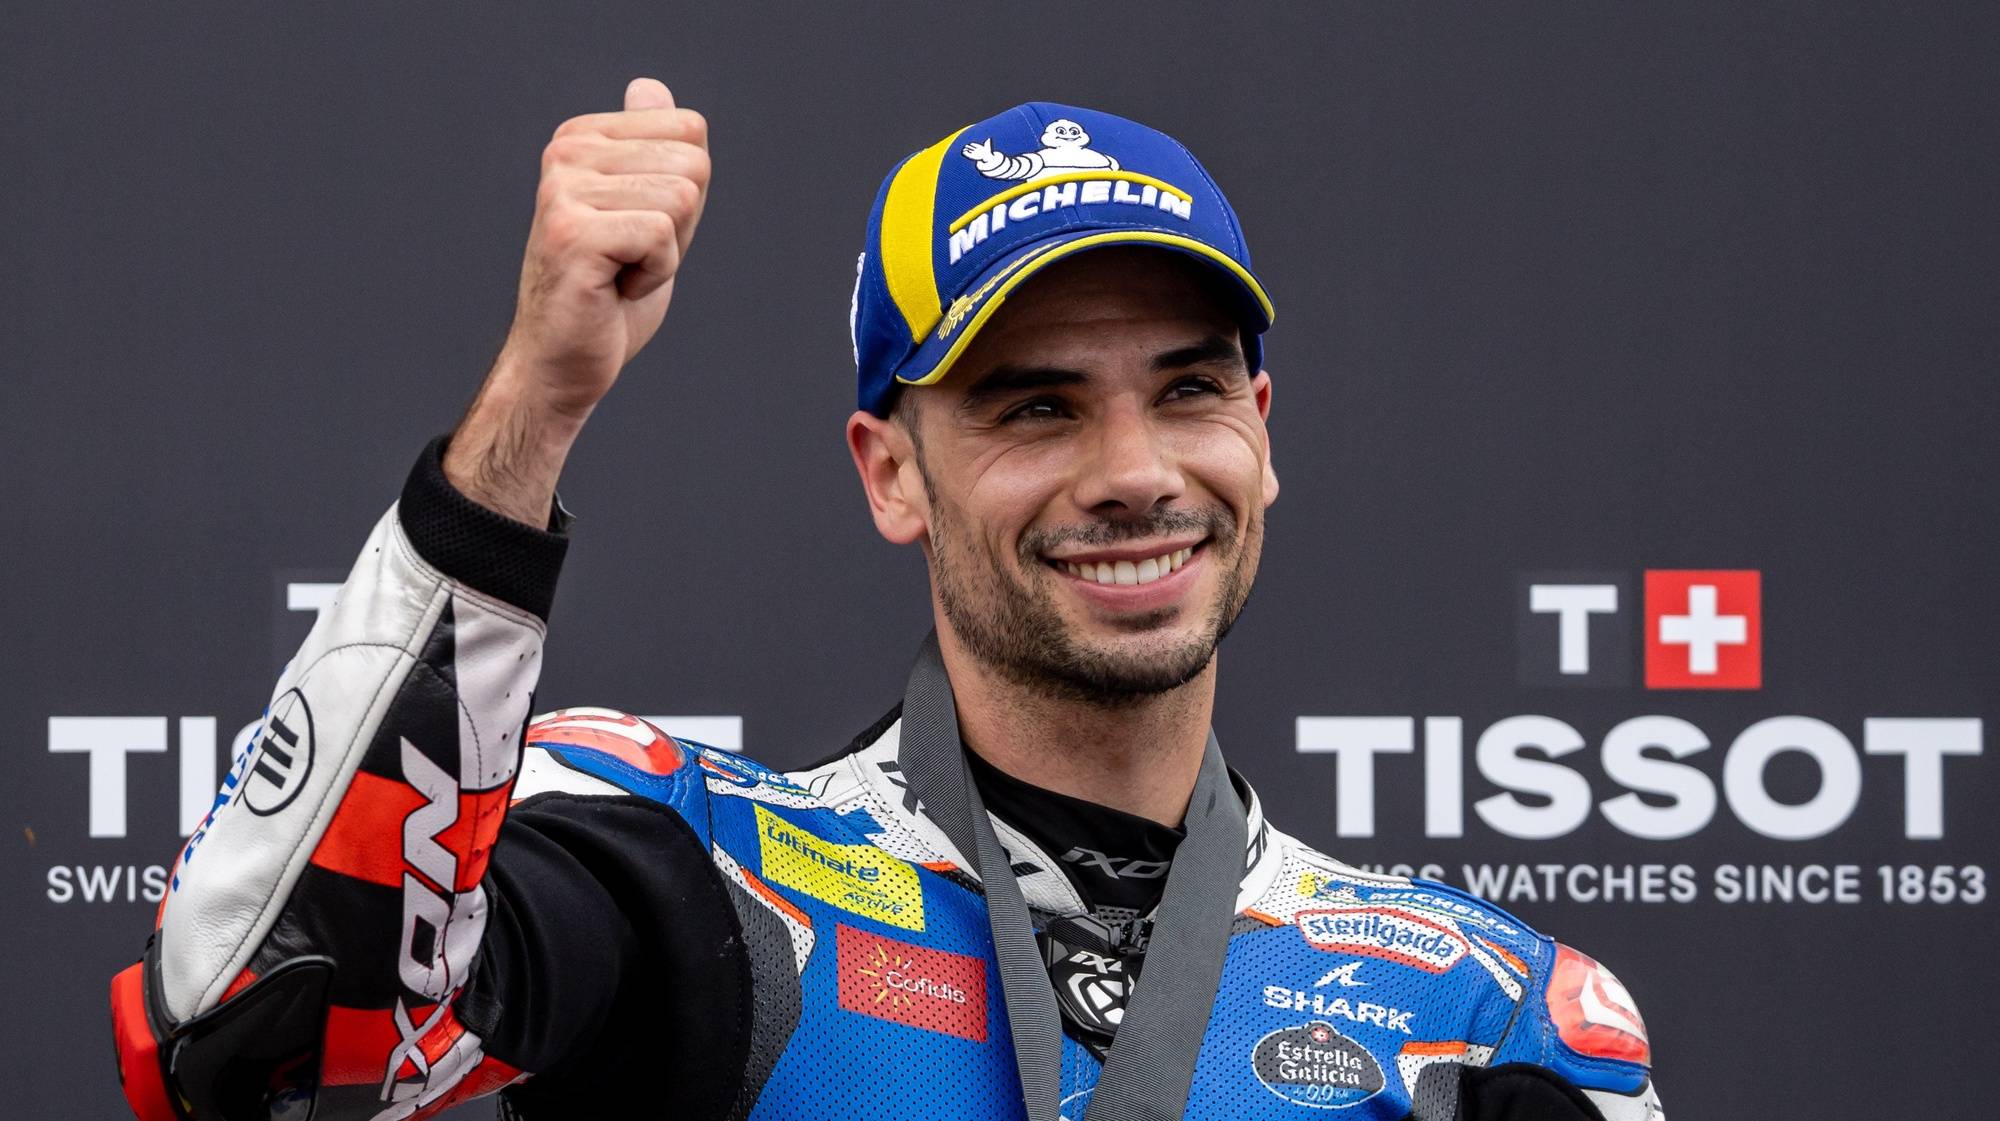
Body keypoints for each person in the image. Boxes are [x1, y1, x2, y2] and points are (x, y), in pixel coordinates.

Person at [109, 78, 1665, 1121]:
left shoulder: (1483, 1008)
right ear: (890, 473)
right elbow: (263, 1028)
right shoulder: (703, 876)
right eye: (1036, 408)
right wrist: (535, 404)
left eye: (1187, 390)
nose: (1132, 472)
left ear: (1262, 433)